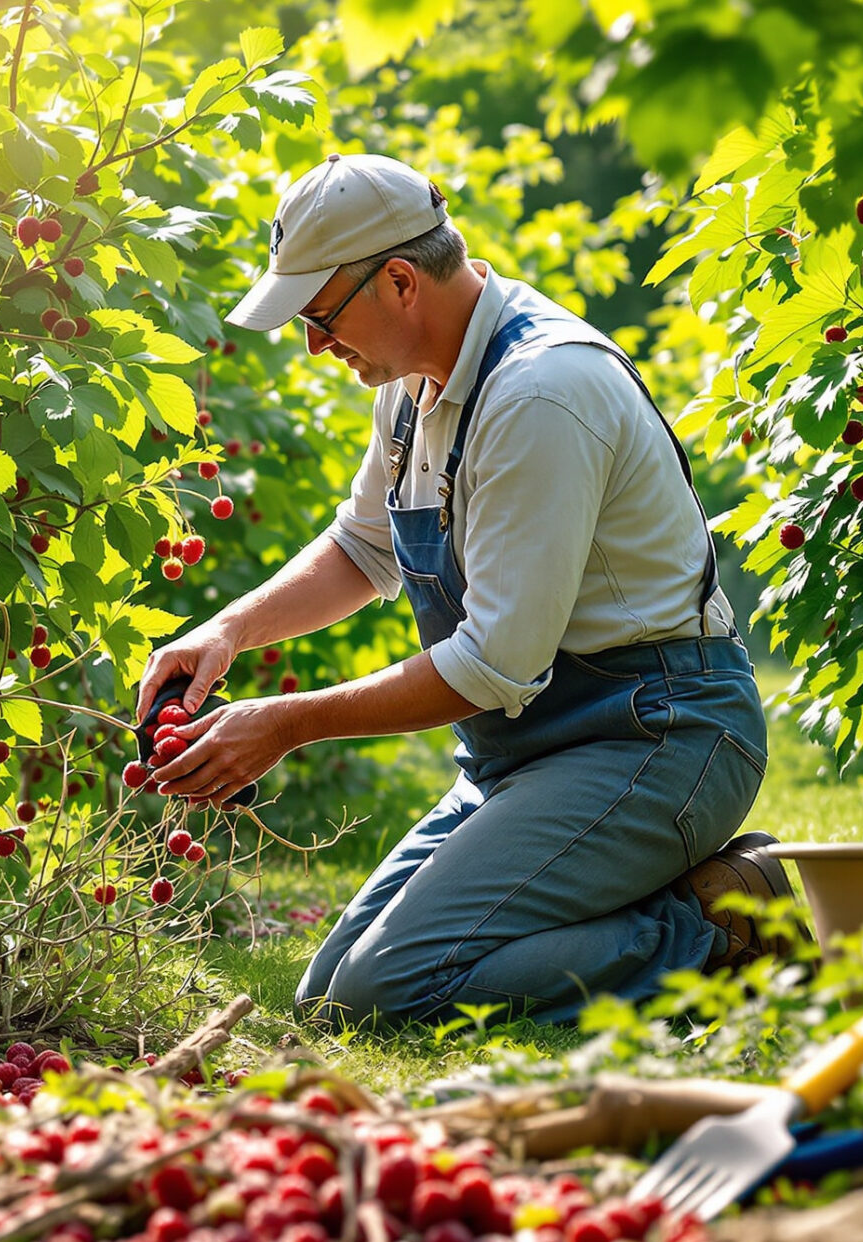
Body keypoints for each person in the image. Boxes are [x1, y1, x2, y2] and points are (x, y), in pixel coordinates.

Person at [135, 152, 801, 1029]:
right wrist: (229, 628)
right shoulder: (415, 385)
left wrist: (287, 724)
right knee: (331, 993)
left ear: (401, 281)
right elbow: (364, 546)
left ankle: (720, 930)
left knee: (390, 989)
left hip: (661, 735)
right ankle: (635, 896)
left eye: (320, 315)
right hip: (528, 754)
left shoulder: (540, 395)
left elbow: (495, 664)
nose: (314, 344)